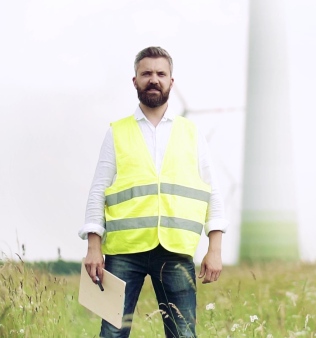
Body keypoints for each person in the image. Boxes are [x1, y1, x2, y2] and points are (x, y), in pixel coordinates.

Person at [78, 46, 228, 338]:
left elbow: (213, 193)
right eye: (146, 73)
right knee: (112, 334)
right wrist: (93, 247)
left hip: (175, 250)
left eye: (161, 73)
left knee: (183, 335)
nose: (153, 79)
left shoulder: (191, 133)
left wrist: (215, 249)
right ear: (134, 80)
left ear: (172, 81)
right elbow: (98, 191)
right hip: (123, 253)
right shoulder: (117, 132)